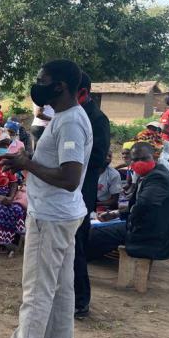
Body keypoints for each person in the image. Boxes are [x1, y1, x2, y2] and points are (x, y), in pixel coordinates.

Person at [0, 59, 92, 338]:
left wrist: (27, 164)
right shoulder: (65, 117)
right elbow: (58, 166)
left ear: (59, 86)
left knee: (38, 286)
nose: (37, 83)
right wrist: (25, 160)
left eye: (42, 79)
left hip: (52, 217)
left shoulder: (70, 122)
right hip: (61, 214)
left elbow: (70, 177)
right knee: (60, 286)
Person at [87, 142, 169, 262]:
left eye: (144, 158)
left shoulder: (158, 178)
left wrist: (125, 221)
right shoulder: (149, 174)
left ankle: (82, 261)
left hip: (155, 237)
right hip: (152, 228)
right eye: (135, 159)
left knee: (95, 233)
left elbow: (143, 207)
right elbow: (138, 205)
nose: (140, 163)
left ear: (154, 157)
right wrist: (115, 214)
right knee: (101, 231)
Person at [72, 71, 111, 319]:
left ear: (82, 92)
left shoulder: (96, 119)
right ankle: (67, 297)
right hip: (68, 191)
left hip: (80, 193)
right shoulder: (70, 114)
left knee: (75, 247)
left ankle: (80, 302)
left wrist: (69, 166)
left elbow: (97, 159)